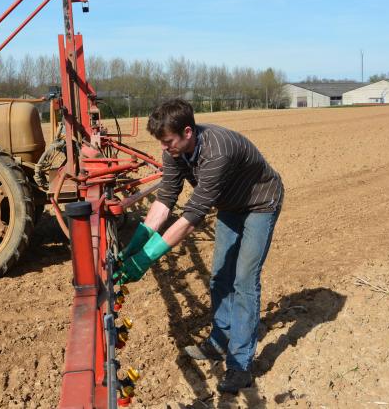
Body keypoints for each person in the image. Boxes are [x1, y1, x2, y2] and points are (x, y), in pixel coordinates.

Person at [115, 98, 284, 394]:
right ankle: (219, 341)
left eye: (169, 142)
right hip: (231, 205)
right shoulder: (173, 152)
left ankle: (240, 365)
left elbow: (190, 218)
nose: (165, 148)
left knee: (244, 280)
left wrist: (147, 258)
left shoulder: (216, 153)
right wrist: (136, 244)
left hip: (260, 203)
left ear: (188, 132)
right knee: (220, 275)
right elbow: (165, 200)